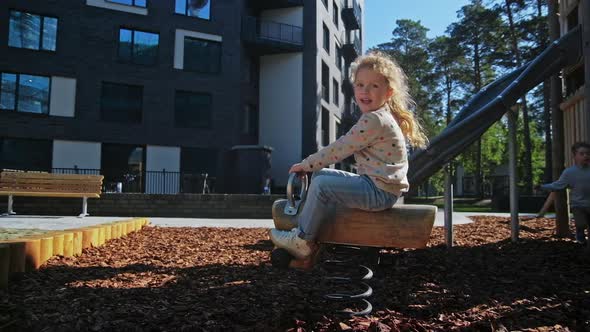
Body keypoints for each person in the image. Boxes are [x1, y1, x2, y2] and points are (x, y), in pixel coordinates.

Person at [269, 52, 428, 259]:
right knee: (321, 176)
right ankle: (310, 227)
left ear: (388, 93)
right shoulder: (380, 116)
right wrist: (313, 168)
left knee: (321, 184)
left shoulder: (374, 120)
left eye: (374, 86)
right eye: (360, 85)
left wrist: (306, 165)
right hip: (377, 185)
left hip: (379, 192)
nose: (365, 91)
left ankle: (302, 240)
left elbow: (340, 148)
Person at [541, 142, 590, 245]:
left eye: (588, 154)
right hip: (578, 205)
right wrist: (543, 187)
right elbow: (558, 185)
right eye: (582, 154)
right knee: (581, 224)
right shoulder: (569, 172)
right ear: (575, 156)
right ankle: (580, 234)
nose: (585, 156)